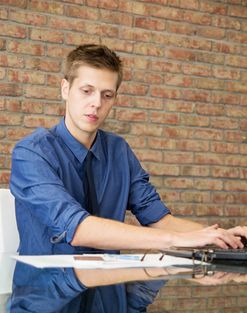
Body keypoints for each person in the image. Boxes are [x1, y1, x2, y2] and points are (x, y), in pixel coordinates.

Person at [10, 44, 247, 257]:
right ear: (65, 89)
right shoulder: (31, 153)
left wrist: (223, 237)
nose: (96, 103)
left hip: (107, 292)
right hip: (47, 295)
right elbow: (78, 228)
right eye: (86, 91)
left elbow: (158, 220)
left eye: (107, 95)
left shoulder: (118, 150)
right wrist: (179, 240)